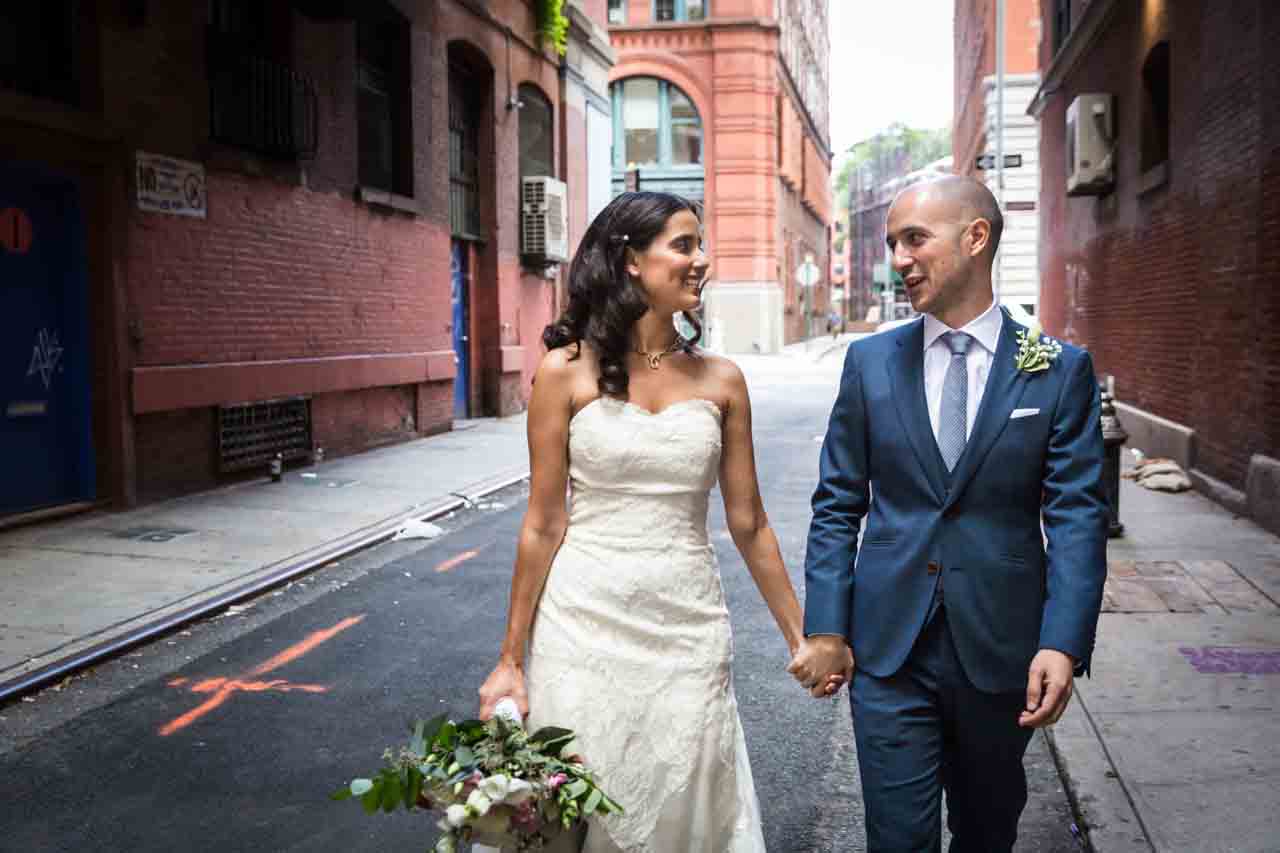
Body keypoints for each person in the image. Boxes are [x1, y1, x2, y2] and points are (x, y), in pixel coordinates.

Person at [477, 191, 840, 852]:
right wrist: (510, 659)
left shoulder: (722, 380)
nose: (700, 260)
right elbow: (542, 523)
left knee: (681, 799)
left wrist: (801, 636)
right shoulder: (563, 375)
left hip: (688, 625)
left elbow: (751, 522)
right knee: (577, 798)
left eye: (700, 244)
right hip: (580, 622)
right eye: (684, 244)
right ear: (631, 260)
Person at [791, 175, 1108, 851]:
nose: (899, 259)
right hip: (888, 648)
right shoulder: (870, 362)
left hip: (1001, 648)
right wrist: (825, 623)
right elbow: (838, 503)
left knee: (987, 832)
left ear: (975, 237)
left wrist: (1064, 639)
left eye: (914, 239)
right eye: (892, 243)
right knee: (898, 838)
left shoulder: (1058, 369)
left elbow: (1078, 515)